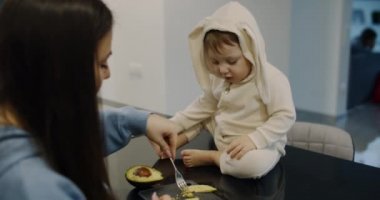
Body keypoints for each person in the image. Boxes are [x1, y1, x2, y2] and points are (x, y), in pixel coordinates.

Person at [0, 0, 176, 199]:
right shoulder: (36, 189)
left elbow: (67, 133)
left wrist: (138, 121)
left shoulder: (23, 119)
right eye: (102, 63)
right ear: (60, 70)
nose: (108, 73)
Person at [169, 2, 296, 179]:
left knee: (253, 165)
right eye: (215, 62)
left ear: (251, 51)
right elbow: (203, 106)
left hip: (259, 145)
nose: (222, 70)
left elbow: (285, 116)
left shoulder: (272, 79)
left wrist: (255, 139)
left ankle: (215, 158)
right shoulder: (219, 78)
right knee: (205, 114)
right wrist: (171, 126)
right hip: (224, 136)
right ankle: (177, 140)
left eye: (231, 61)